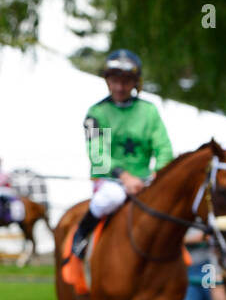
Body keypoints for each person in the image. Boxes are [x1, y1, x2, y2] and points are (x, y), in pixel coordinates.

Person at [71, 50, 174, 259]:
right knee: (111, 197)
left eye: (126, 82)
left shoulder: (149, 111)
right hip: (110, 180)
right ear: (107, 81)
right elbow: (97, 155)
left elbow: (164, 149)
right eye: (115, 81)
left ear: (136, 83)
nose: (119, 87)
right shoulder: (96, 113)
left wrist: (157, 175)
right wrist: (125, 177)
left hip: (145, 181)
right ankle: (82, 234)